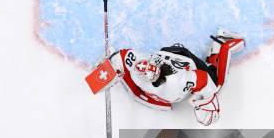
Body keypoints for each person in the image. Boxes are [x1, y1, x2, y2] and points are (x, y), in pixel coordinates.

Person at [87, 31, 244, 127]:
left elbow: (205, 81)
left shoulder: (178, 81)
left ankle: (222, 44)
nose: (138, 70)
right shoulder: (137, 60)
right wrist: (103, 72)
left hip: (184, 58)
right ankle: (223, 44)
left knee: (216, 83)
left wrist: (204, 101)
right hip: (168, 53)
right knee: (215, 85)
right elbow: (118, 57)